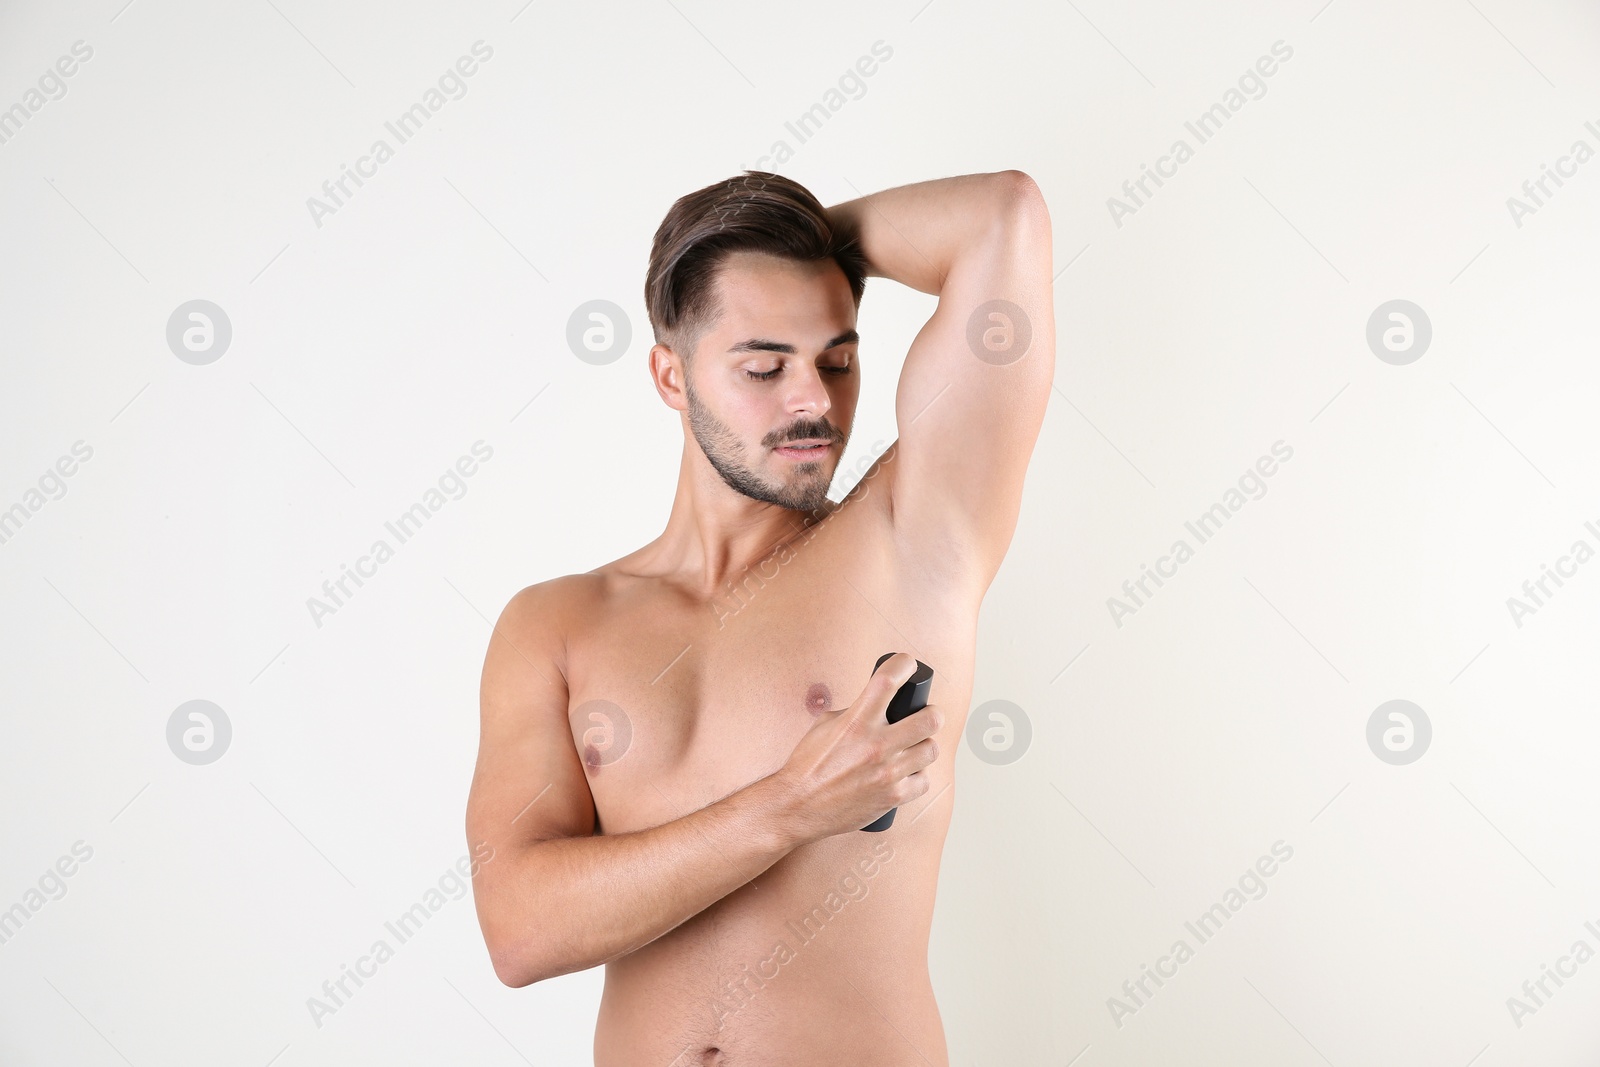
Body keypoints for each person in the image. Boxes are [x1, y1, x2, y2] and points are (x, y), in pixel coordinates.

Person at [466, 168, 1053, 1066]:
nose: (813, 400)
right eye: (764, 365)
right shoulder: (555, 626)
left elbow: (1002, 217)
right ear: (672, 373)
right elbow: (519, 928)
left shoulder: (914, 540)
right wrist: (788, 807)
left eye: (838, 360)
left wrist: (817, 241)